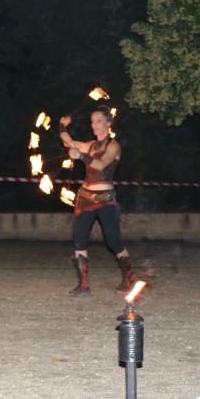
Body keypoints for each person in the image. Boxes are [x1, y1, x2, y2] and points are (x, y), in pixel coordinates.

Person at [59, 106, 136, 296]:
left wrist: (82, 156)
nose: (95, 125)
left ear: (109, 123)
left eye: (99, 120)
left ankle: (129, 279)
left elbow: (101, 165)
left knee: (113, 241)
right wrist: (61, 125)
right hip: (84, 198)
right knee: (79, 241)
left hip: (106, 199)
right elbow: (68, 141)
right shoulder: (90, 145)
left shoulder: (113, 146)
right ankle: (83, 285)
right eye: (93, 121)